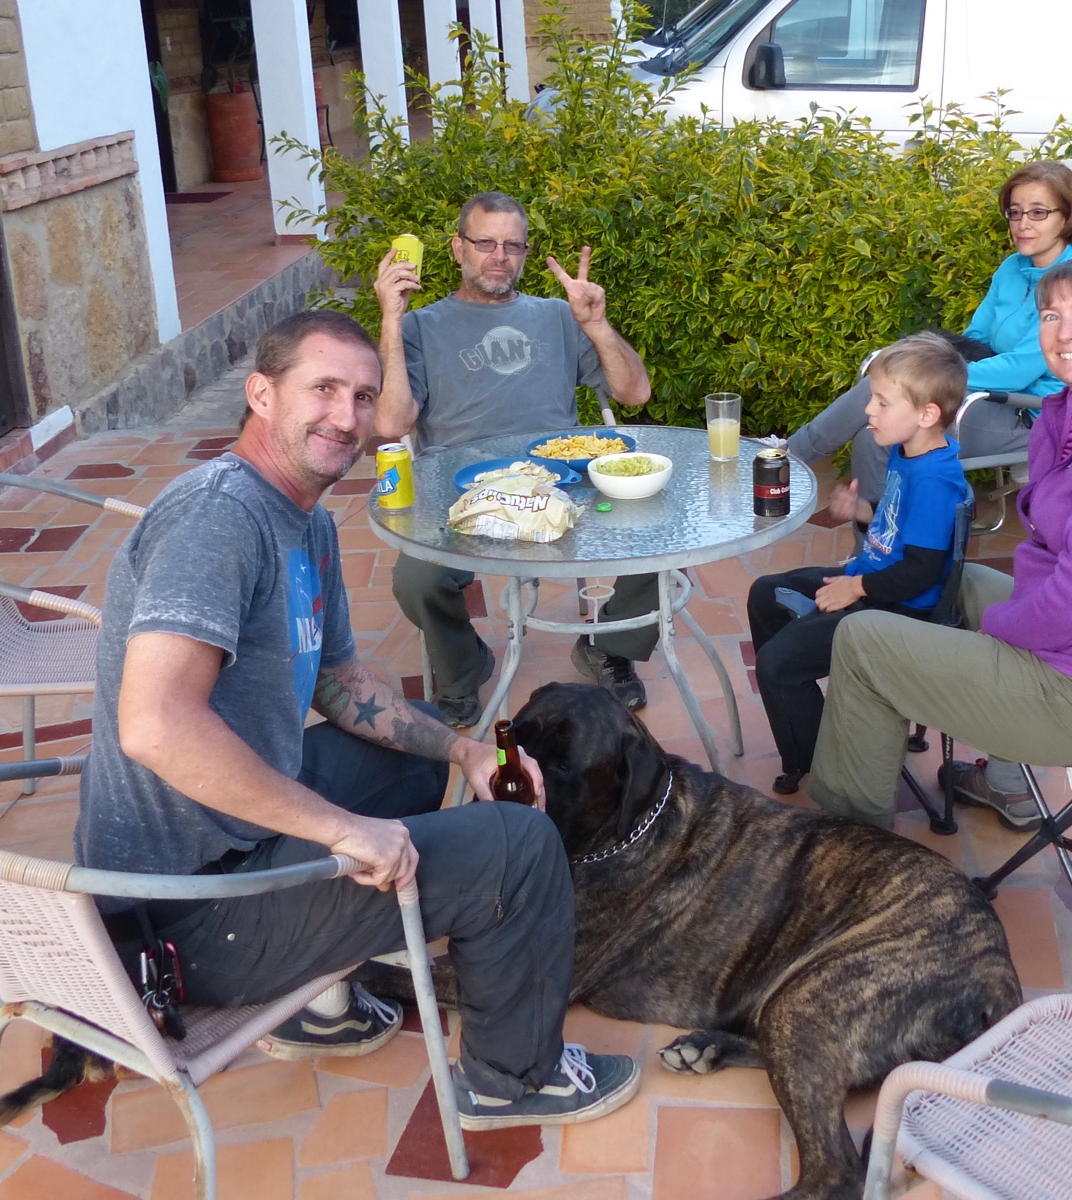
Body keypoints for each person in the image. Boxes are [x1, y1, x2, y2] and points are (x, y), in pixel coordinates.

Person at [74, 309, 638, 1130]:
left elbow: (340, 683)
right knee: (518, 849)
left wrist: (464, 749)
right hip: (180, 914)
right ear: (262, 394)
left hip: (235, 845)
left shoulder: (302, 519)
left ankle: (323, 1000)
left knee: (411, 766)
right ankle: (514, 1077)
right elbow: (154, 725)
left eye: (364, 396)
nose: (347, 416)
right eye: (324, 389)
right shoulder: (217, 519)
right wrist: (342, 830)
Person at [805, 256, 1072, 831]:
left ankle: (850, 842)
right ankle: (1005, 784)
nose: (1065, 330)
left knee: (862, 639)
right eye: (1050, 315)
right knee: (962, 581)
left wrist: (1003, 631)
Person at [375, 191, 656, 723]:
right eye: (485, 243)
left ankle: (609, 646)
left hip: (564, 481)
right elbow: (391, 423)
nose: (499, 256)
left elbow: (634, 393)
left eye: (513, 245)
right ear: (458, 249)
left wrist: (595, 324)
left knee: (664, 530)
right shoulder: (421, 328)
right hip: (463, 490)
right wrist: (391, 319)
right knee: (417, 580)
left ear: (525, 254)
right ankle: (462, 667)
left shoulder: (557, 315)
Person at [782, 161, 1072, 507]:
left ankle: (785, 456)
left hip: (1028, 417)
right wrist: (933, 369)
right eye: (1014, 213)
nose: (1023, 224)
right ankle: (875, 549)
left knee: (887, 384)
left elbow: (1020, 372)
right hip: (983, 395)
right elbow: (975, 339)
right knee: (873, 436)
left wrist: (930, 375)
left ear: (1067, 216)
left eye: (1038, 213)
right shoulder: (1011, 268)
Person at [747, 335, 970, 795]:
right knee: (765, 593)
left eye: (883, 403)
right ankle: (807, 723)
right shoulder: (906, 453)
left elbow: (922, 571)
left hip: (898, 613)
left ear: (927, 414)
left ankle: (823, 768)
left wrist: (856, 589)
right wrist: (864, 513)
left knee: (776, 664)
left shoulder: (935, 477)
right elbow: (900, 528)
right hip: (871, 586)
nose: (868, 410)